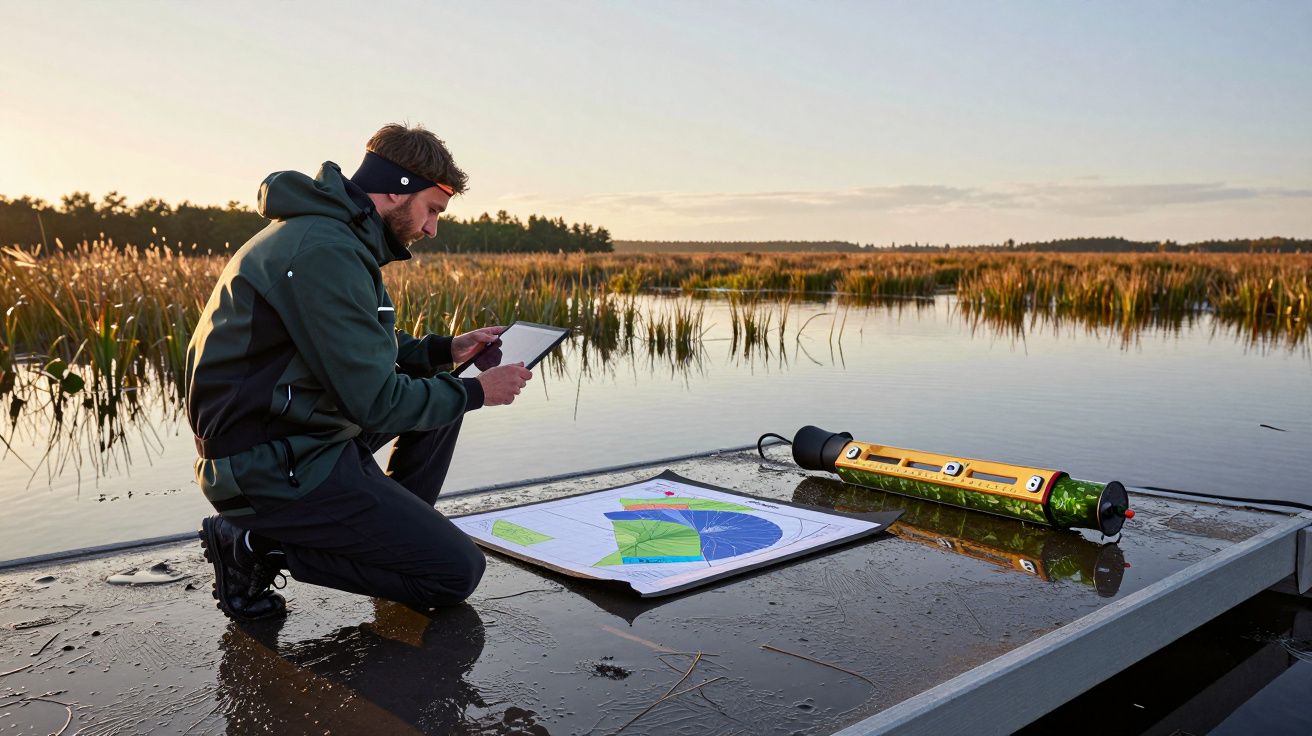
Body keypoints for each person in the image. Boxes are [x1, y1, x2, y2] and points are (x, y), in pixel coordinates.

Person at [186, 123, 533, 620]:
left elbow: (363, 345)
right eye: (432, 210)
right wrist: (479, 392)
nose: (432, 229)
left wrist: (445, 349)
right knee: (455, 574)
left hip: (297, 433)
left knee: (441, 396)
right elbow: (376, 402)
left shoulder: (336, 238)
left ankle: (391, 535)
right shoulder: (324, 251)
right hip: (266, 465)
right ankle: (251, 544)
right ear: (396, 189)